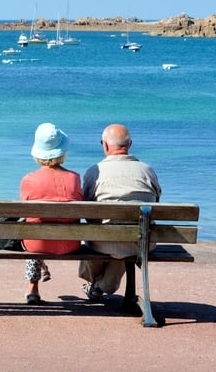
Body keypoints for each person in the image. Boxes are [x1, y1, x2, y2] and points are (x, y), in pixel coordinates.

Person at [78, 123, 162, 306]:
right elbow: (156, 203)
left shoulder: (94, 172)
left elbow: (87, 210)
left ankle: (97, 285)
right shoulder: (147, 170)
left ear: (105, 145)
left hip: (104, 242)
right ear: (129, 144)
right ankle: (99, 287)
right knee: (126, 244)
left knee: (100, 238)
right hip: (141, 242)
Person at [19, 123, 83, 305]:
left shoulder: (29, 179)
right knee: (36, 227)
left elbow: (27, 215)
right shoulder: (74, 178)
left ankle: (32, 288)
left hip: (38, 245)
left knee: (32, 228)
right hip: (70, 244)